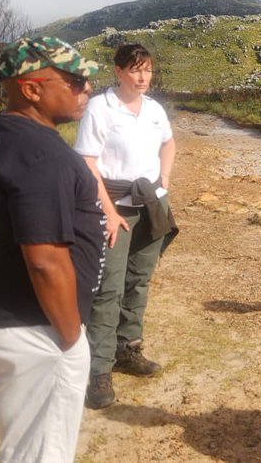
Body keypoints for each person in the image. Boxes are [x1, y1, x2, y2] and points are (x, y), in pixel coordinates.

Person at [0, 37, 105, 462]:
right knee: (39, 454)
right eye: (75, 80)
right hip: (33, 329)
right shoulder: (40, 153)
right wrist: (72, 338)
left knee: (21, 445)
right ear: (31, 88)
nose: (86, 89)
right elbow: (44, 261)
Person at [75, 43, 177, 409]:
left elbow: (168, 143)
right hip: (113, 207)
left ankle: (128, 349)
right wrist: (108, 211)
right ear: (118, 72)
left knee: (139, 280)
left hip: (150, 204)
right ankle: (98, 370)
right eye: (135, 70)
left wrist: (162, 179)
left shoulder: (153, 110)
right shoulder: (100, 109)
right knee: (108, 288)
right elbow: (87, 162)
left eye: (147, 69)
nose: (142, 76)